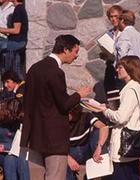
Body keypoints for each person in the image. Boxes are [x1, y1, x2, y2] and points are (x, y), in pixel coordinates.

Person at [20, 34, 91, 180]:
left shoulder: (34, 68)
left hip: (34, 136)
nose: (76, 56)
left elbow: (29, 102)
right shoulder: (55, 72)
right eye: (75, 51)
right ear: (65, 50)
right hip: (54, 139)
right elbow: (64, 105)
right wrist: (79, 95)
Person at [100, 55, 140, 180]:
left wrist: (105, 110)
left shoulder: (131, 89)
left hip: (123, 147)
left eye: (120, 67)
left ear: (130, 69)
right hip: (131, 146)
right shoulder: (137, 87)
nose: (117, 70)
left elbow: (121, 118)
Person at [0, 70, 29, 180]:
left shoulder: (20, 92)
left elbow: (19, 112)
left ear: (14, 81)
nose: (6, 85)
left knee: (19, 158)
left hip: (24, 129)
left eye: (7, 82)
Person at [67, 106, 109, 180]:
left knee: (98, 132)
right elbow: (54, 144)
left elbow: (104, 127)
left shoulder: (85, 116)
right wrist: (68, 159)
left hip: (86, 149)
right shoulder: (59, 120)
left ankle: (97, 173)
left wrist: (99, 148)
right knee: (60, 162)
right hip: (69, 152)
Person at [0, 0, 28, 78]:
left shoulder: (18, 9)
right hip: (15, 42)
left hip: (16, 42)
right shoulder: (19, 8)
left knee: (10, 72)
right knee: (15, 71)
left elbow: (16, 30)